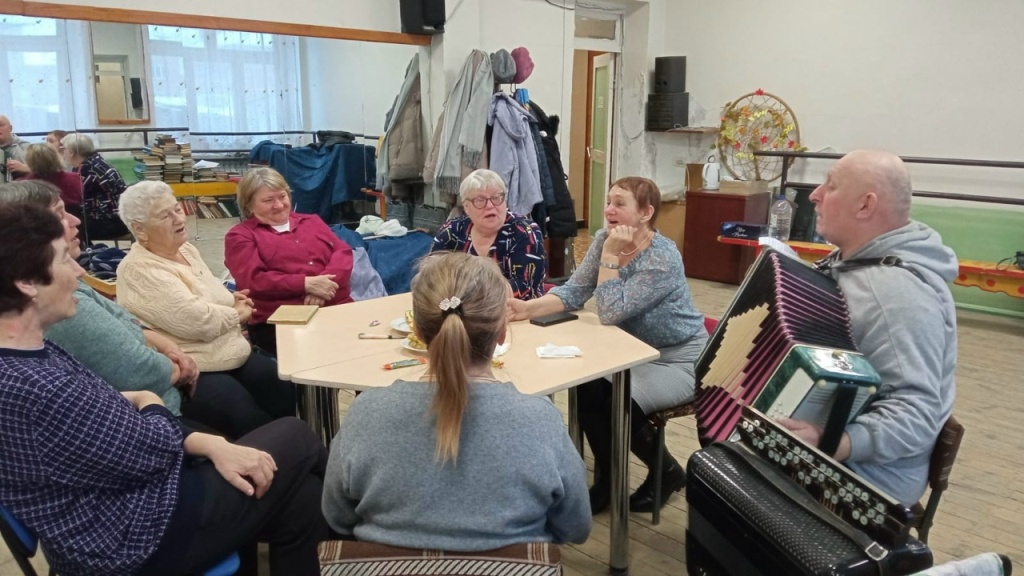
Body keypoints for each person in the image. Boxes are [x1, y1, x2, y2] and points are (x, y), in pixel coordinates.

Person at [0, 202, 328, 575]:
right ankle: (361, 531)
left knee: (303, 500)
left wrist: (206, 441)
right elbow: (153, 449)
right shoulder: (37, 384)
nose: (78, 270)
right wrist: (151, 400)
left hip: (125, 509)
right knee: (297, 434)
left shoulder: (29, 356)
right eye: (63, 260)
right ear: (26, 282)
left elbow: (113, 415)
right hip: (134, 539)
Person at [323, 252, 591, 550]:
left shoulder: (367, 412)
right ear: (502, 333)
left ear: (416, 331)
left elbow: (337, 517)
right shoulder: (539, 419)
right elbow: (576, 527)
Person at [507, 176, 707, 514]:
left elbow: (610, 311)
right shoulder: (604, 238)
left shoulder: (662, 257)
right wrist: (527, 309)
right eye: (609, 201)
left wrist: (610, 257)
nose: (609, 210)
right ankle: (609, 481)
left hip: (678, 358)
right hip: (631, 351)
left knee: (619, 402)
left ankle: (666, 471)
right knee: (588, 388)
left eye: (620, 203)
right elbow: (575, 291)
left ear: (646, 213)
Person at [779, 149, 958, 506]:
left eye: (831, 186)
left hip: (870, 478)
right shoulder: (854, 262)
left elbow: (915, 414)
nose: (815, 195)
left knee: (721, 468)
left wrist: (832, 442)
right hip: (833, 432)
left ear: (865, 205)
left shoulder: (898, 295)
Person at [116, 181, 297, 438]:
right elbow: (198, 320)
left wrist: (231, 299)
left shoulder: (186, 249)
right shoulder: (138, 270)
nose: (179, 218)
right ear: (139, 229)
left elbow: (211, 295)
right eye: (164, 216)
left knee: (282, 386)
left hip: (231, 351)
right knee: (246, 415)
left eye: (177, 209)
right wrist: (237, 314)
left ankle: (297, 450)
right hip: (195, 367)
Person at [225, 166, 354, 355]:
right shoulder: (240, 236)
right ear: (249, 205)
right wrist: (305, 284)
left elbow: (343, 253)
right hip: (281, 320)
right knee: (326, 354)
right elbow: (253, 281)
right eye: (268, 200)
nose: (278, 205)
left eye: (282, 196)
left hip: (337, 306)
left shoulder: (312, 221)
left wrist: (323, 286)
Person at [431, 168, 548, 300]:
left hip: (516, 309)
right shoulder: (451, 231)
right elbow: (431, 276)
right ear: (466, 207)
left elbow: (523, 288)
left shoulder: (525, 231)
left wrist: (462, 294)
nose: (490, 206)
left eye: (496, 198)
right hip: (458, 307)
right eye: (480, 200)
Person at [61, 132, 131, 243]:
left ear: (71, 152)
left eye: (63, 149)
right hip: (120, 218)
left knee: (66, 223)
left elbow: (76, 198)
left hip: (111, 223)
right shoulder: (96, 161)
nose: (62, 152)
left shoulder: (87, 170)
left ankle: (81, 252)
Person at [23, 143, 85, 222]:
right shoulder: (74, 178)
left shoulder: (25, 185)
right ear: (56, 157)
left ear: (29, 161)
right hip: (74, 222)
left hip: (42, 225)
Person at [0, 114, 28, 179]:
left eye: (1, 125)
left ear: (10, 128)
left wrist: (24, 167)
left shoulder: (26, 147)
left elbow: (44, 170)